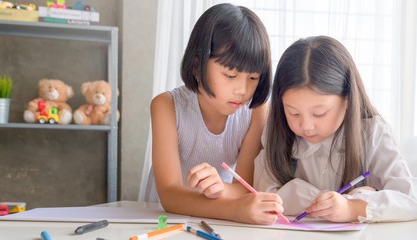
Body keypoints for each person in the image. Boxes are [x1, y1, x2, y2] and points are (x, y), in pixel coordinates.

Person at [254, 35, 417, 223]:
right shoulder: (278, 132)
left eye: (319, 113)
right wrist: (341, 198)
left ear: (347, 100)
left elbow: (409, 198)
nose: (306, 126)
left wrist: (352, 207)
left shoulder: (372, 134)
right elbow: (264, 194)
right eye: (293, 113)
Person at [146, 3, 284, 225]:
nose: (242, 90)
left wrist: (224, 191)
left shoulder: (257, 112)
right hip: (164, 219)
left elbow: (244, 187)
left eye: (253, 78)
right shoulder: (166, 106)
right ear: (196, 65)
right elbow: (170, 195)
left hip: (219, 218)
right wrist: (233, 208)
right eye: (230, 75)